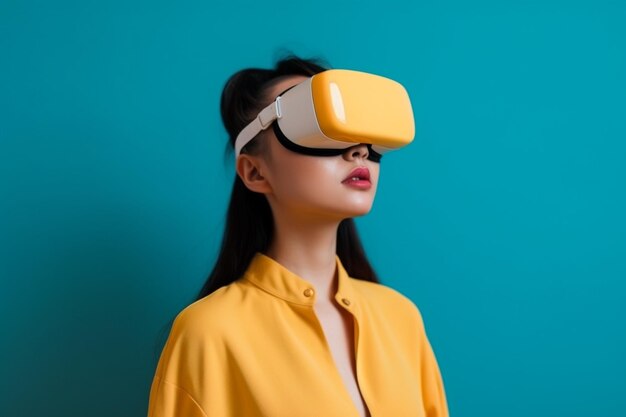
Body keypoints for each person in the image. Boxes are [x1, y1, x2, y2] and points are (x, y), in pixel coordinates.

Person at [147, 55, 449, 417]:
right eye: (314, 123)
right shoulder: (208, 333)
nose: (359, 151)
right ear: (255, 172)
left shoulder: (402, 318)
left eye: (361, 131)